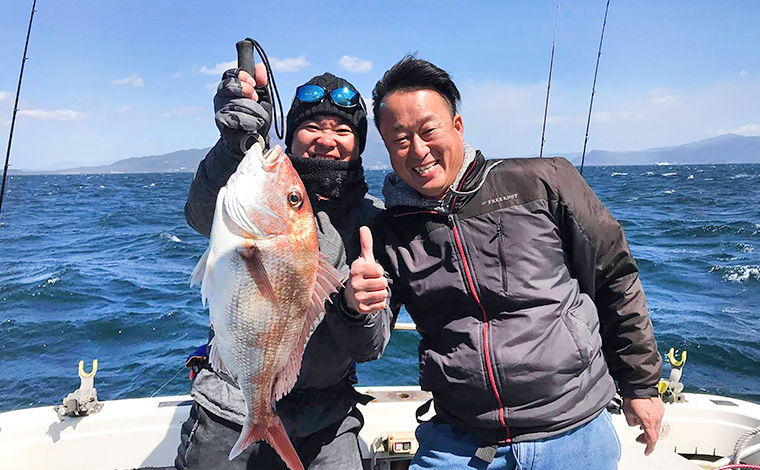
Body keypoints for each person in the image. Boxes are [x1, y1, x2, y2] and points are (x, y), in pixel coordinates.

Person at [368, 55, 664, 469]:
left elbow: (614, 275)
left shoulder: (544, 181)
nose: (418, 150)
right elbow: (371, 342)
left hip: (573, 428)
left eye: (428, 130)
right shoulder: (388, 230)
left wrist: (641, 385)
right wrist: (357, 305)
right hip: (464, 440)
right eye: (400, 140)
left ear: (457, 126)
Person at [175, 63, 392, 470]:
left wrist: (355, 308)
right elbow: (201, 213)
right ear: (291, 135)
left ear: (360, 145)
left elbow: (372, 347)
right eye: (312, 127)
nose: (327, 139)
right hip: (230, 403)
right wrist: (234, 144)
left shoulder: (375, 221)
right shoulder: (251, 188)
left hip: (329, 418)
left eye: (343, 130)